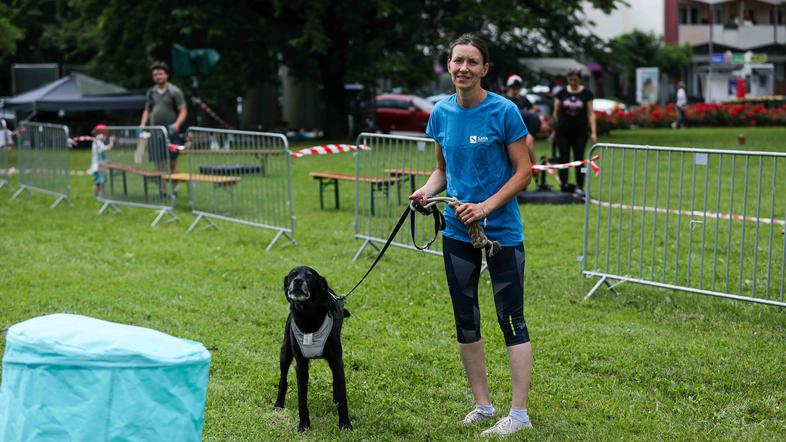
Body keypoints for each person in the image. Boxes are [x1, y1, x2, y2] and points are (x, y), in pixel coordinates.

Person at [410, 33, 534, 437]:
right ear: (448, 65)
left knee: (510, 318)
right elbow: (442, 171)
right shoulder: (441, 114)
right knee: (466, 319)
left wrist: (484, 207)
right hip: (457, 235)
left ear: (484, 69)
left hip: (501, 233)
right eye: (457, 60)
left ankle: (518, 414)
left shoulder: (504, 111)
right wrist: (427, 192)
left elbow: (524, 172)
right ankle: (483, 406)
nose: (463, 68)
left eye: (472, 62)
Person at [552, 68, 596, 197]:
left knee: (580, 159)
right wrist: (553, 132)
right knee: (563, 159)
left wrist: (593, 132)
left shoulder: (587, 94)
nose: (573, 82)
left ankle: (580, 186)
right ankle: (564, 185)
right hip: (563, 131)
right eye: (570, 80)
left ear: (580, 80)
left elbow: (591, 114)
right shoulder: (561, 93)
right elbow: (555, 113)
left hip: (580, 132)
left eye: (575, 80)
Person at [139, 61, 187, 176]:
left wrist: (177, 124)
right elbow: (147, 110)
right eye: (155, 74)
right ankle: (163, 191)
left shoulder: (174, 91)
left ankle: (174, 190)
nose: (158, 77)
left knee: (172, 161)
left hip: (170, 131)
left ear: (166, 75)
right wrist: (142, 124)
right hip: (155, 131)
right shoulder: (151, 92)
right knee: (158, 161)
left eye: (160, 74)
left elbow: (183, 110)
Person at [88, 124, 115, 198]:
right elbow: (108, 149)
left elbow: (101, 153)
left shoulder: (99, 142)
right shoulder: (98, 142)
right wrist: (111, 141)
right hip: (98, 166)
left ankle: (99, 195)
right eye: (105, 134)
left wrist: (107, 160)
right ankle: (96, 196)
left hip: (101, 165)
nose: (106, 136)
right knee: (98, 182)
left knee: (101, 182)